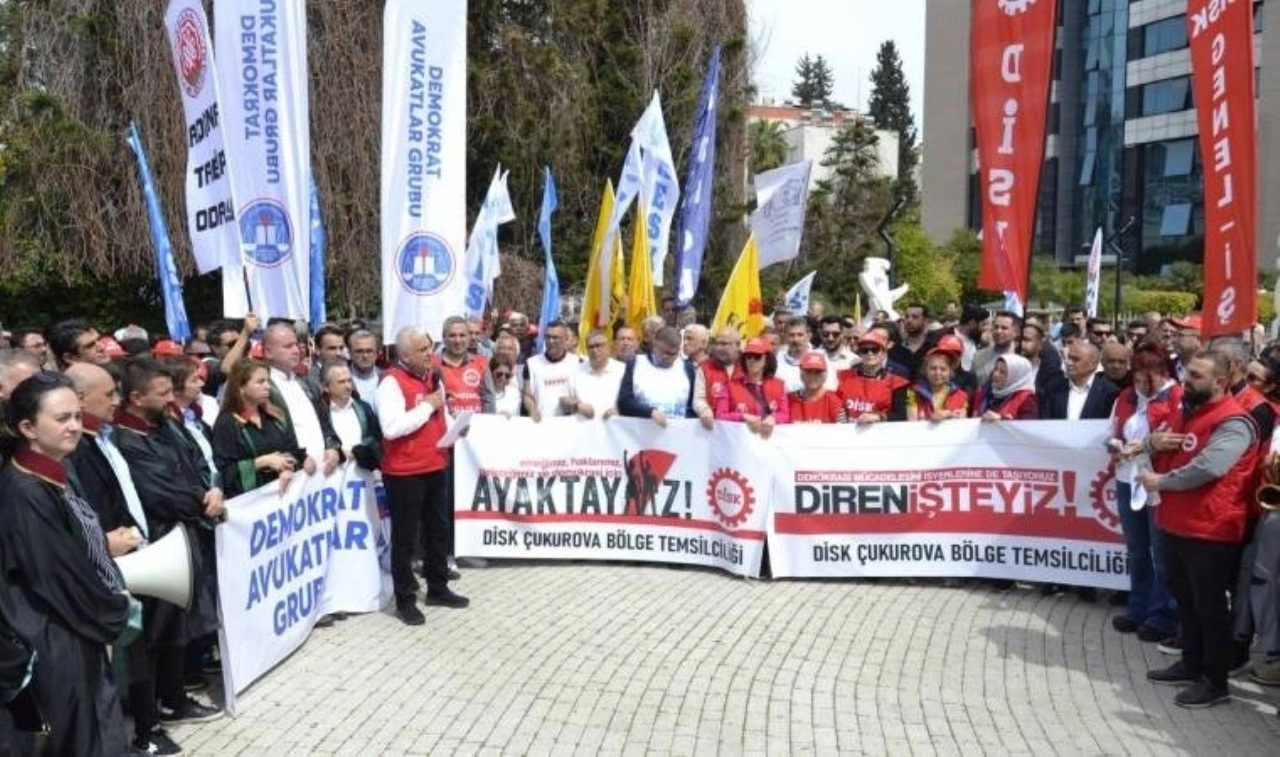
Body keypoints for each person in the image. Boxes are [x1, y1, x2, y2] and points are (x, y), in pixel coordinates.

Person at [0, 372, 133, 756]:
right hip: (56, 641)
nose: (74, 426)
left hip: (70, 632)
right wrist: (115, 611)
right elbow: (59, 578)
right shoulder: (25, 491)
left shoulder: (50, 474)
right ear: (28, 427)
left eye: (77, 415)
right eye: (62, 418)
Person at [1141, 350, 1260, 708]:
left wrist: (1162, 481)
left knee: (1210, 608)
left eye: (1195, 375)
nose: (1186, 381)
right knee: (1186, 599)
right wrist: (1152, 443)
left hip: (1211, 528)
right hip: (1177, 522)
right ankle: (1191, 663)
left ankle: (1215, 681)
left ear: (1220, 382)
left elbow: (1209, 467)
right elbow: (1158, 443)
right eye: (1187, 373)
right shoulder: (1186, 411)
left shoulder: (1235, 422)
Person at [112, 360, 225, 727]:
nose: (169, 398)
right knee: (160, 628)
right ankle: (161, 703)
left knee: (179, 623)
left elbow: (196, 461)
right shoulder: (126, 440)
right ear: (136, 398)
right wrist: (200, 502)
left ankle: (175, 696)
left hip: (186, 533)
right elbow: (159, 492)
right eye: (161, 393)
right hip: (160, 540)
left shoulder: (168, 424)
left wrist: (212, 490)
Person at [377, 327, 468, 626]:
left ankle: (438, 587)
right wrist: (427, 406)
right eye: (422, 349)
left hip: (435, 465)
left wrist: (456, 426)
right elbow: (392, 428)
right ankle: (405, 599)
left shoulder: (433, 376)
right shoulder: (391, 382)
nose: (430, 353)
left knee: (438, 530)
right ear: (405, 355)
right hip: (405, 473)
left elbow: (441, 415)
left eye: (429, 347)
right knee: (406, 539)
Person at [1107, 344, 1181, 645]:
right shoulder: (1126, 397)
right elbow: (1113, 431)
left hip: (1156, 481)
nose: (1142, 385)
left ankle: (1163, 615)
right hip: (1127, 478)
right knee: (1137, 549)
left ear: (1162, 373)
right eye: (1137, 378)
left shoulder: (1176, 396)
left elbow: (1175, 439)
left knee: (1160, 551)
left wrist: (1144, 446)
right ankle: (1138, 608)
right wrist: (1115, 445)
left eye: (1147, 379)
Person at [211, 359, 309, 498]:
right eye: (260, 382)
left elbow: (292, 450)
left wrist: (289, 468)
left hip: (284, 494)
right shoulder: (227, 423)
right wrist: (260, 462)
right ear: (241, 387)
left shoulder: (275, 416)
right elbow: (225, 474)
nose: (267, 386)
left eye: (267, 381)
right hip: (253, 501)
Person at [262, 323, 342, 474]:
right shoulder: (264, 388)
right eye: (288, 346)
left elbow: (324, 421)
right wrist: (299, 458)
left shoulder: (307, 382)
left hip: (323, 470)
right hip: (290, 474)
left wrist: (332, 447)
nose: (296, 350)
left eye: (296, 345)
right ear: (268, 352)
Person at [618, 326, 695, 426]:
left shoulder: (687, 368)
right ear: (655, 345)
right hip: (642, 430)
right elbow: (624, 402)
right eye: (665, 352)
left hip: (677, 430)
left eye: (674, 354)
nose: (668, 357)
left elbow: (693, 405)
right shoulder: (636, 364)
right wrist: (650, 412)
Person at [314, 361, 382, 472]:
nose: (348, 386)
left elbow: (378, 441)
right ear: (326, 386)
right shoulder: (318, 413)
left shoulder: (364, 408)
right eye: (341, 382)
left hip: (365, 475)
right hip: (331, 476)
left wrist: (359, 453)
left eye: (349, 380)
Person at [715, 337, 790, 437]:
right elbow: (720, 415)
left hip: (770, 441)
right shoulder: (729, 386)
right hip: (742, 441)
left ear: (767, 359)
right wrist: (742, 416)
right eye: (748, 356)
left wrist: (774, 418)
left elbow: (785, 415)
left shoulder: (779, 385)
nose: (752, 360)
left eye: (757, 356)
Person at [835, 330, 909, 424]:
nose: (869, 353)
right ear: (860, 353)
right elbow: (836, 406)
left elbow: (902, 415)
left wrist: (878, 417)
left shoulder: (896, 383)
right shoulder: (844, 377)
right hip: (848, 430)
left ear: (883, 353)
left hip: (881, 431)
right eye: (864, 350)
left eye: (875, 350)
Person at [1042, 340, 1120, 422]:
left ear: (1093, 364)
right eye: (1069, 358)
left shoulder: (1110, 393)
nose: (1069, 363)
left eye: (1076, 359)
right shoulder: (1054, 388)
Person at [522, 321, 581, 421]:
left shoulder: (578, 363)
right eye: (547, 337)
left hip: (570, 424)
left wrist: (575, 404)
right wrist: (532, 409)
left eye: (555, 337)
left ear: (566, 339)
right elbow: (527, 395)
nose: (551, 341)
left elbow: (585, 394)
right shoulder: (531, 364)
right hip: (542, 423)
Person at [896, 344, 970, 421]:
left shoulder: (961, 396)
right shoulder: (913, 393)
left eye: (943, 369)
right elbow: (912, 422)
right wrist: (932, 418)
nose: (938, 373)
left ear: (950, 372)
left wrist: (949, 416)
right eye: (933, 368)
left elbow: (963, 422)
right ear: (926, 370)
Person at [566, 330, 625, 421]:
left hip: (615, 427)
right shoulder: (575, 371)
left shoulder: (623, 370)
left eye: (599, 345)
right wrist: (577, 405)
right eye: (591, 347)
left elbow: (633, 400)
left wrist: (620, 410)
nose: (594, 350)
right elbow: (564, 399)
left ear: (609, 346)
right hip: (584, 427)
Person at [693, 327, 740, 431]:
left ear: (737, 345)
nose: (719, 348)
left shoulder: (749, 366)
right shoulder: (705, 368)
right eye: (716, 343)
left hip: (744, 430)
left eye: (724, 344)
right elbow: (699, 398)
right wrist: (704, 411)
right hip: (714, 430)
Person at [975, 355, 1039, 421]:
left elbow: (1028, 424)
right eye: (995, 369)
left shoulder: (1027, 399)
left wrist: (1001, 419)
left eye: (1002, 372)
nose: (996, 374)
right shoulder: (985, 393)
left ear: (1015, 377)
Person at [788, 352, 846, 424]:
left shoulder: (834, 402)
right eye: (808, 371)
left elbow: (843, 429)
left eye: (818, 372)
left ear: (825, 374)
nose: (812, 376)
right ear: (801, 373)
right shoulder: (789, 400)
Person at [972, 311, 1020, 386]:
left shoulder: (1020, 359)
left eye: (1004, 328)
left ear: (1015, 332)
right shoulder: (978, 356)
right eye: (996, 327)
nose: (998, 331)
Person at [347, 329, 384, 415]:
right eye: (359, 351)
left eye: (369, 351)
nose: (365, 356)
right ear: (350, 353)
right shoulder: (341, 379)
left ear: (377, 353)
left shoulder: (387, 378)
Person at [774, 320, 813, 393]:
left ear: (808, 336)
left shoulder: (820, 357)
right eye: (791, 335)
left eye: (800, 335)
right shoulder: (776, 359)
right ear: (785, 337)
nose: (796, 339)